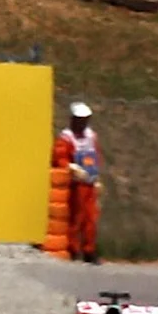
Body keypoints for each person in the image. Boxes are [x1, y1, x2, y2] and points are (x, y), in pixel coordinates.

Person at [52, 102, 103, 264]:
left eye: (85, 119)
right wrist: (72, 167)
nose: (83, 123)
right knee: (76, 217)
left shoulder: (91, 136)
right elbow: (60, 158)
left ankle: (90, 250)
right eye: (80, 120)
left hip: (89, 182)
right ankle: (73, 250)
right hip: (74, 184)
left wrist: (97, 179)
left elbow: (96, 156)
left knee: (91, 218)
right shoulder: (66, 138)